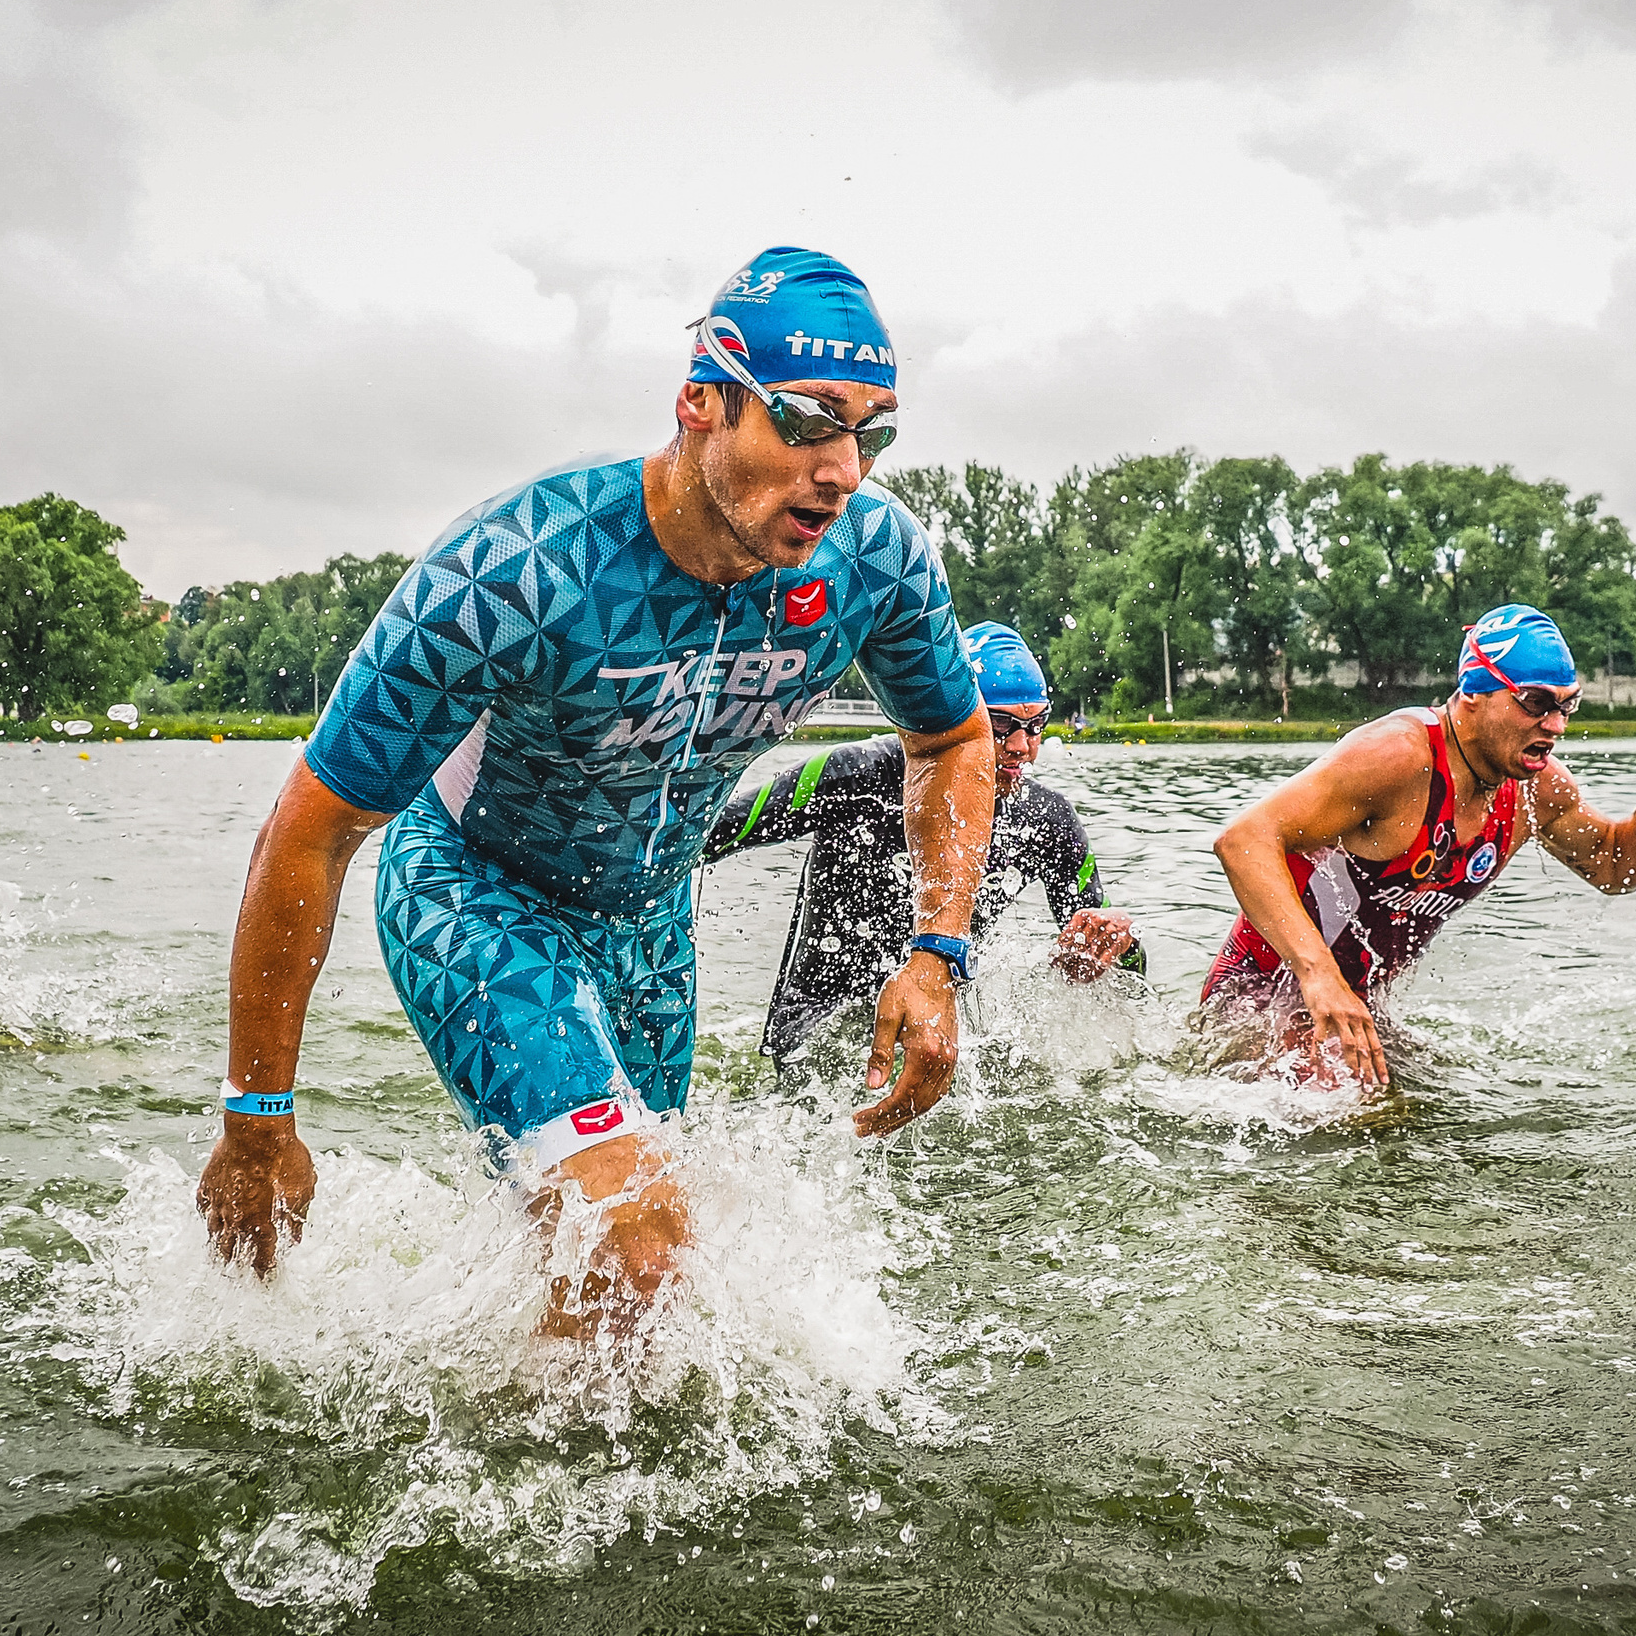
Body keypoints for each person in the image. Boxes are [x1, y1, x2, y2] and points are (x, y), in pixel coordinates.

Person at [195, 246, 995, 1335]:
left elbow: (950, 738)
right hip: (479, 897)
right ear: (702, 404)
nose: (842, 469)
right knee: (638, 1239)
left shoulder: (875, 562)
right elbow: (311, 832)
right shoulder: (518, 568)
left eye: (870, 429)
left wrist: (937, 949)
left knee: (643, 1288)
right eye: (807, 421)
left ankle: (524, 1467)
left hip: (649, 928)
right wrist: (257, 1119)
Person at [1202, 603, 1636, 1087]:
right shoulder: (1398, 757)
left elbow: (1615, 867)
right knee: (1369, 1122)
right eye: (1535, 702)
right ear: (1474, 691)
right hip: (1260, 1001)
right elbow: (1243, 840)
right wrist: (1320, 978)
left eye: (1566, 704)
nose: (1555, 726)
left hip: (1355, 1007)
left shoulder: (1535, 787)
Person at [706, 622, 1144, 1062]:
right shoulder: (854, 774)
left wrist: (1116, 942)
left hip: (931, 1036)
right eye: (1000, 724)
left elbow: (1128, 974)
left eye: (1035, 726)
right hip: (817, 1037)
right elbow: (702, 836)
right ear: (958, 715)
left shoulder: (1047, 818)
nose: (1021, 746)